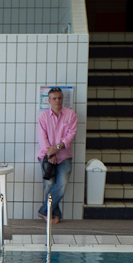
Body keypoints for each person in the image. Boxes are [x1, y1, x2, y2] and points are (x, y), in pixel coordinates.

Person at [37, 87, 78, 225]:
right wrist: (50, 153)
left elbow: (71, 135)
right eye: (54, 98)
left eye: (60, 98)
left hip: (64, 156)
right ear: (49, 100)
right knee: (49, 185)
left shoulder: (71, 115)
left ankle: (43, 211)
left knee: (61, 185)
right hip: (46, 156)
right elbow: (42, 137)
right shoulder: (43, 117)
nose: (57, 101)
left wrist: (57, 148)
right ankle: (55, 214)